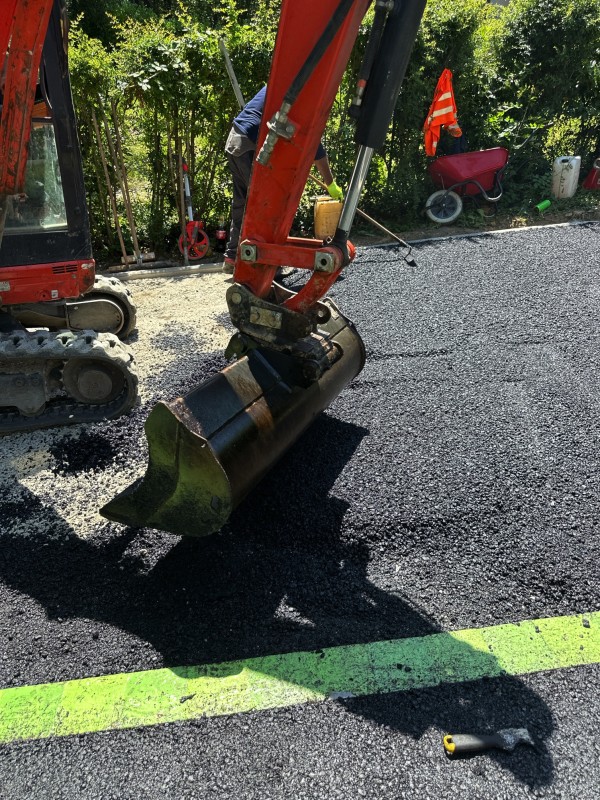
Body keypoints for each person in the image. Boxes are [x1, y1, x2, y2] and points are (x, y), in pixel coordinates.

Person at [223, 86, 343, 273]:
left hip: (235, 140)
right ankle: (269, 264)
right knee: (267, 207)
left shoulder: (282, 83)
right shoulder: (303, 95)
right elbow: (316, 148)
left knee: (242, 203)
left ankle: (231, 257)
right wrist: (330, 183)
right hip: (250, 145)